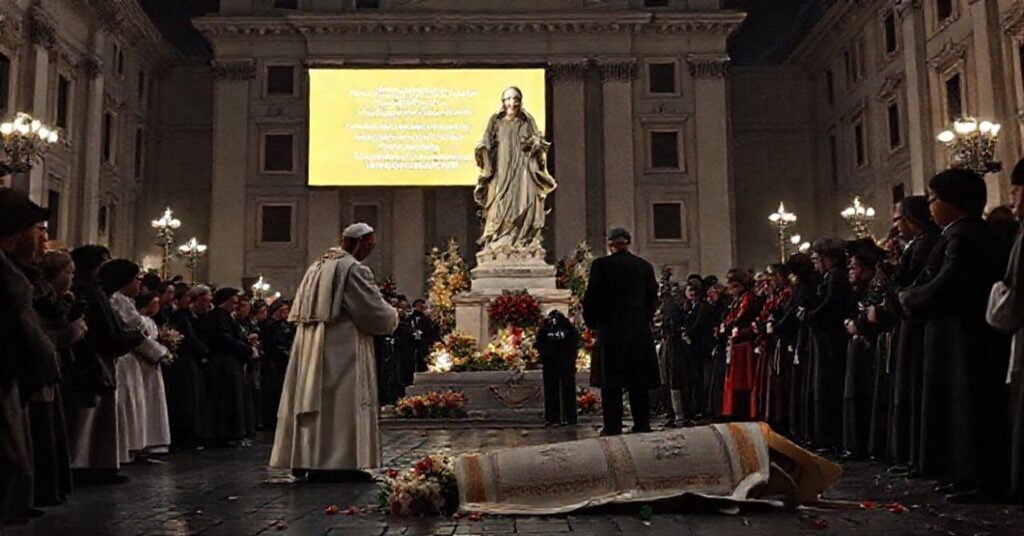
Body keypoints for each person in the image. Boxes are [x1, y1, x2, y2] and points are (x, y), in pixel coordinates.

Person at [900, 168, 1009, 502]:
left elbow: (947, 283)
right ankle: (961, 474)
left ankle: (977, 477)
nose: (930, 207)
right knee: (953, 405)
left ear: (953, 202)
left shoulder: (964, 236)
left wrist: (908, 298)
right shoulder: (958, 233)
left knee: (967, 405)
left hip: (965, 338)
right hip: (951, 335)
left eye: (933, 199)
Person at [270, 223, 398, 480]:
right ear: (359, 243)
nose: (369, 252)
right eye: (369, 246)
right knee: (340, 403)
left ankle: (306, 459)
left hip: (310, 346)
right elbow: (372, 311)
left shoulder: (316, 266)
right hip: (341, 348)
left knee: (312, 400)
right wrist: (394, 316)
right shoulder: (352, 269)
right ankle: (338, 464)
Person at [0, 189, 57, 525]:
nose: (41, 238)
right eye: (37, 228)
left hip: (13, 380)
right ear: (16, 230)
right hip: (5, 375)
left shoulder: (13, 269)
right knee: (11, 462)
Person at [67, 246, 144, 485]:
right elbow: (103, 330)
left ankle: (99, 464)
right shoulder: (88, 292)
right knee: (87, 420)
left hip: (102, 358)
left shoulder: (95, 291)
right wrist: (130, 338)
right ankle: (83, 465)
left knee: (101, 417)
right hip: (91, 361)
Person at [582, 227, 660, 436]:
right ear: (628, 242)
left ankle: (612, 426)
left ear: (610, 244)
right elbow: (653, 297)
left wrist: (592, 323)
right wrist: (644, 318)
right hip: (638, 331)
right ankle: (642, 423)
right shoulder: (644, 266)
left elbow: (592, 297)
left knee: (611, 384)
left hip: (611, 331)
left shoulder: (601, 266)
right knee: (638, 382)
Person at [886, 196, 940, 472]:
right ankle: (911, 456)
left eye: (898, 219)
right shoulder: (917, 245)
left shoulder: (924, 245)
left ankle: (918, 458)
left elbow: (910, 286)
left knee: (914, 388)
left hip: (916, 326)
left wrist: (896, 294)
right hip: (909, 324)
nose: (895, 226)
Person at [100, 260, 169, 463]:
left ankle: (133, 447)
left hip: (135, 359)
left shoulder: (125, 301)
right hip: (126, 358)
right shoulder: (118, 301)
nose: (140, 284)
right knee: (127, 405)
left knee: (135, 405)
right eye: (136, 280)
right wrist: (160, 352)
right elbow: (136, 331)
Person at [473, 86, 557, 249]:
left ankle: (522, 239)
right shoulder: (495, 121)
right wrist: (483, 150)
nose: (513, 102)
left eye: (516, 99)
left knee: (524, 198)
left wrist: (535, 144)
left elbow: (538, 140)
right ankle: (501, 238)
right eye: (509, 99)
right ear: (503, 102)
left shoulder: (527, 121)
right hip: (502, 167)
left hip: (522, 167)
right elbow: (486, 141)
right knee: (500, 201)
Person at [31, 250, 82, 507]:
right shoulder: (41, 298)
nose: (71, 277)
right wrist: (73, 329)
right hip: (39, 369)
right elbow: (47, 334)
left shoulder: (57, 299)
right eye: (68, 272)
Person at [803, 238, 853, 452]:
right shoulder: (832, 277)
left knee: (829, 384)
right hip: (828, 337)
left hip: (832, 339)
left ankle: (831, 437)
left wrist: (808, 315)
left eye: (817, 258)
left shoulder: (836, 277)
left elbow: (830, 306)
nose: (815, 263)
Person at [203, 287, 255, 448]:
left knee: (234, 398)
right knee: (226, 400)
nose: (235, 305)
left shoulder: (226, 317)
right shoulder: (216, 317)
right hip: (222, 364)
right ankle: (225, 434)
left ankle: (233, 433)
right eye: (233, 302)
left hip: (231, 363)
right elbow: (223, 339)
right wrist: (246, 350)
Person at [163, 285, 209, 451]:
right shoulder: (180, 317)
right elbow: (188, 338)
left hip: (189, 361)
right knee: (186, 400)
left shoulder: (187, 317)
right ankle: (186, 437)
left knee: (192, 399)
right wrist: (204, 351)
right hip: (183, 363)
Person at [719, 269, 760, 420]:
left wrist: (729, 327)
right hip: (736, 344)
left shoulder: (748, 299)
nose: (730, 287)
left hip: (744, 343)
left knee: (743, 379)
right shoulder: (737, 300)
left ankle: (743, 411)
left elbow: (740, 318)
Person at [134, 291, 172, 455]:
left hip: (153, 366)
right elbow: (144, 342)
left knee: (154, 400)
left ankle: (154, 440)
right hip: (143, 365)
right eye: (154, 303)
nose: (157, 306)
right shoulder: (139, 321)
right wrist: (161, 353)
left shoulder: (151, 321)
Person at [536, 309, 580, 426]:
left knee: (558, 389)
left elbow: (539, 342)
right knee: (561, 389)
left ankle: (555, 417)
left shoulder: (562, 329)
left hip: (556, 360)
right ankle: (565, 417)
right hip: (561, 361)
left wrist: (544, 353)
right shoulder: (566, 329)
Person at [260, 299, 292, 429]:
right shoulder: (268, 326)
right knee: (273, 391)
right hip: (272, 363)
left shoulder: (286, 325)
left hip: (283, 362)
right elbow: (270, 344)